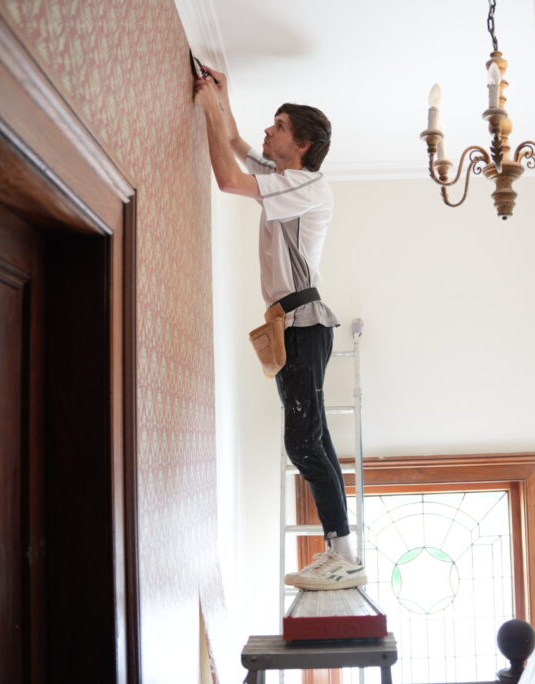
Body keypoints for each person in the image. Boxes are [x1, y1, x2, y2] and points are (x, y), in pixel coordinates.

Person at [194, 67, 367, 591]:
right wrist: (220, 100)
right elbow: (235, 145)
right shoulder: (282, 176)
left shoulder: (308, 183)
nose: (268, 133)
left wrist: (205, 105)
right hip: (293, 322)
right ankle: (344, 552)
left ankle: (343, 553)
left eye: (279, 126)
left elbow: (226, 177)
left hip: (303, 321)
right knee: (314, 438)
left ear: (304, 143)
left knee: (303, 441)